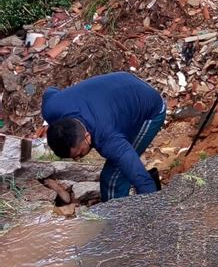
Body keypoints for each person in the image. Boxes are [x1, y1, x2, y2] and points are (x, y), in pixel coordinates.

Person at [42, 72, 166, 201]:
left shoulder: (108, 139)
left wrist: (155, 214)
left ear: (87, 137)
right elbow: (50, 91)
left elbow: (142, 181)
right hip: (121, 82)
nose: (77, 159)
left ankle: (117, 218)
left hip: (149, 106)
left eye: (78, 154)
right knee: (121, 166)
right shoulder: (51, 108)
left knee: (112, 178)